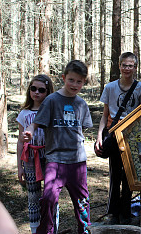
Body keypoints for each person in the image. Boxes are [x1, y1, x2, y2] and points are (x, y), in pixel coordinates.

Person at [23, 60, 93, 234]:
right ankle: (46, 230)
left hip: (77, 161)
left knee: (82, 201)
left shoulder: (82, 104)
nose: (75, 85)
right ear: (63, 78)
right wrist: (30, 131)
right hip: (55, 160)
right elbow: (37, 123)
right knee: (48, 198)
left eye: (79, 81)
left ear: (84, 82)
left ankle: (85, 230)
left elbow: (81, 128)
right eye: (71, 80)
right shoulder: (51, 100)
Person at [94, 52, 141, 225]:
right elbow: (105, 115)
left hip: (132, 136)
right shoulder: (110, 87)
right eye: (124, 65)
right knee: (115, 174)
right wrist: (99, 136)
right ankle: (113, 213)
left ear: (135, 68)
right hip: (114, 133)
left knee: (129, 175)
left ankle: (126, 212)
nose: (127, 69)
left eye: (131, 65)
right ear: (119, 66)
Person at [16, 74, 59, 234]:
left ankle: (51, 227)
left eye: (42, 90)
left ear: (48, 92)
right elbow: (20, 141)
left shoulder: (52, 111)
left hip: (49, 157)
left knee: (51, 194)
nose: (37, 93)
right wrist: (19, 166)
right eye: (33, 89)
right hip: (30, 158)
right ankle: (35, 229)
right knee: (33, 194)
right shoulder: (24, 114)